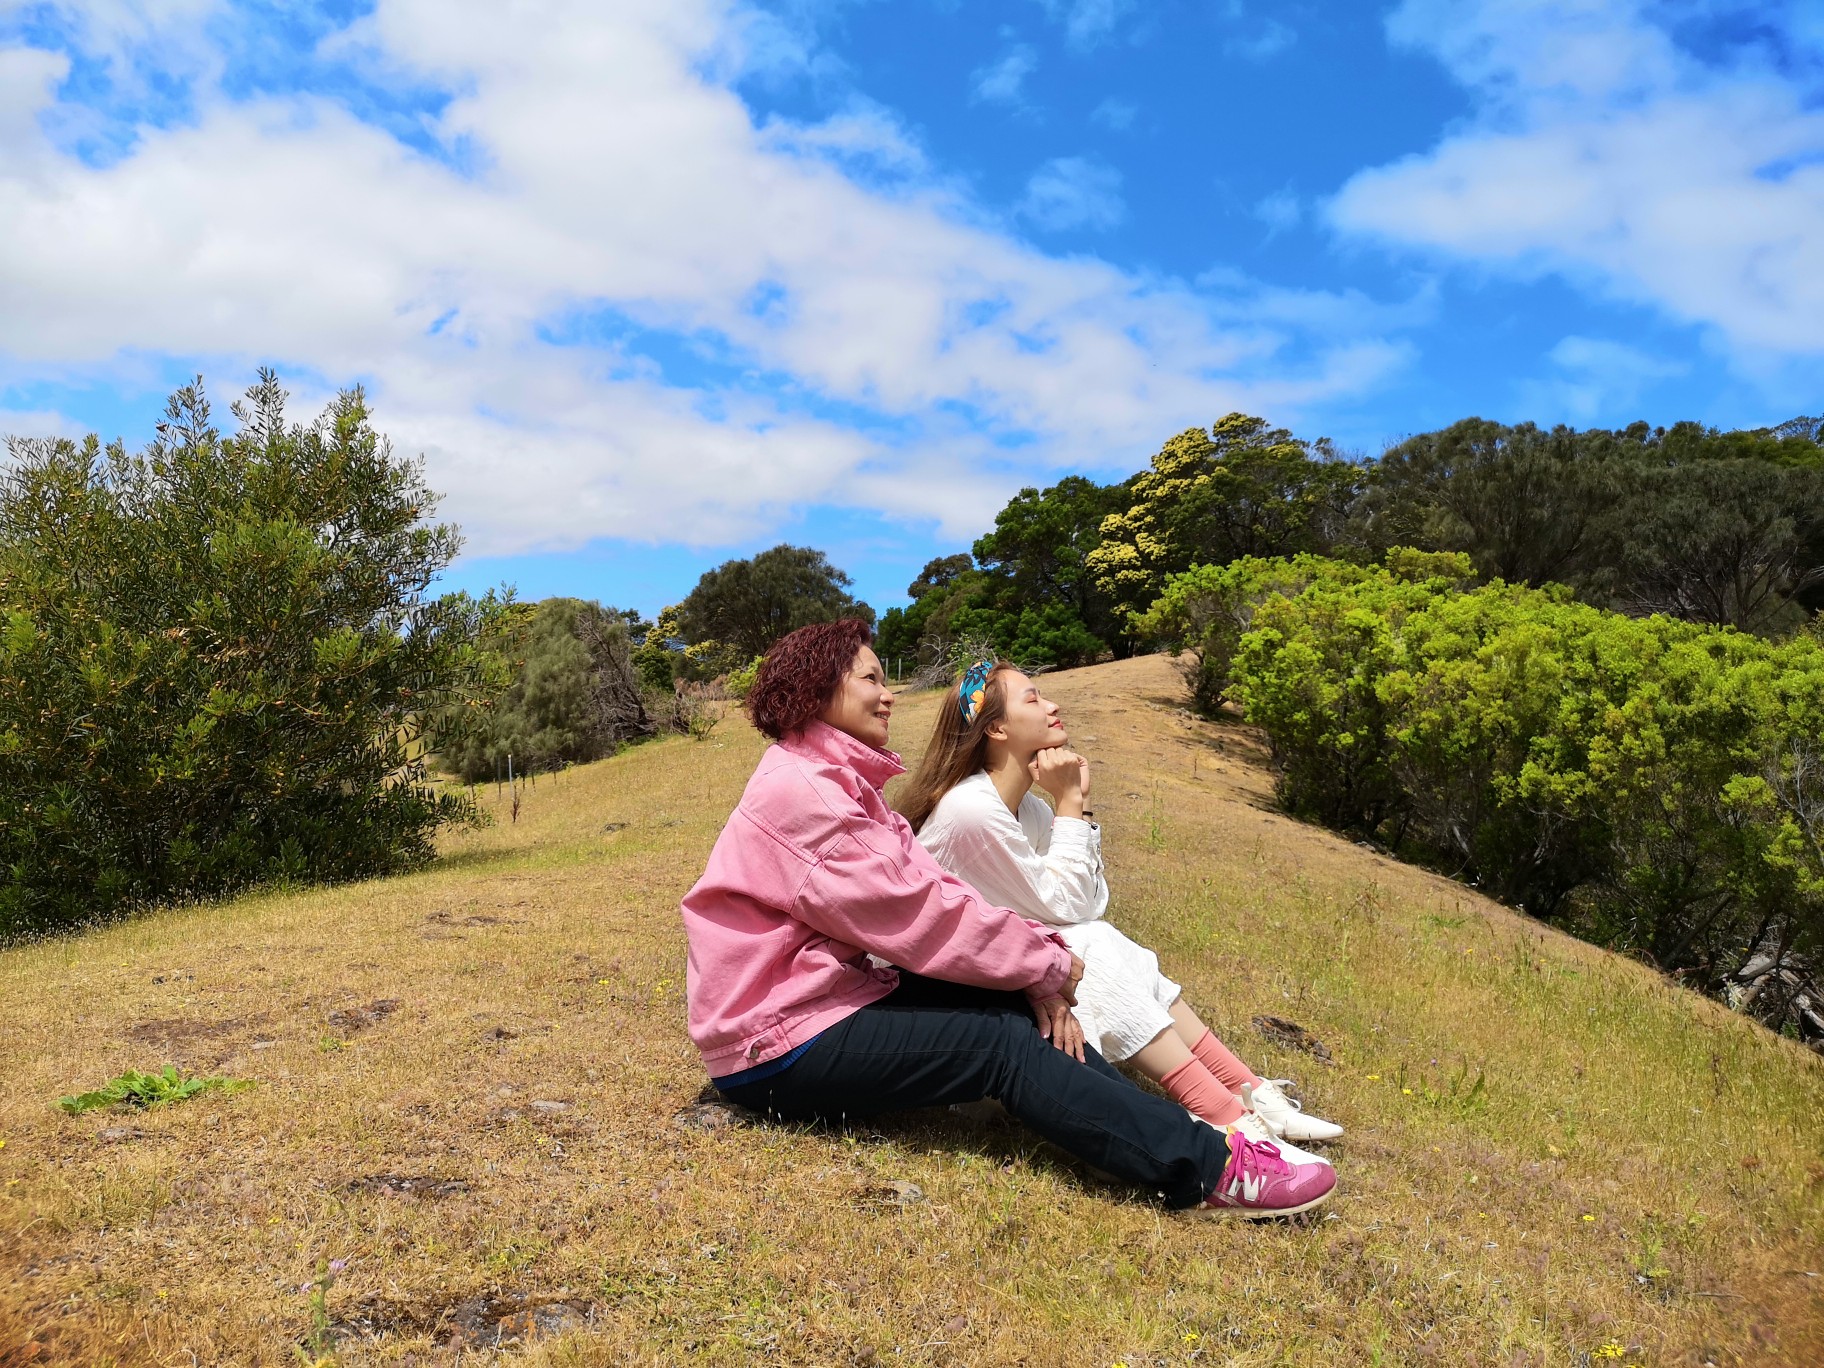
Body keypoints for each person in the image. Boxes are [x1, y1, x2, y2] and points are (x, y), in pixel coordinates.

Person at [679, 619, 1334, 1218]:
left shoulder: (837, 781)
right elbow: (921, 915)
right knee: (1000, 1046)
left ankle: (1175, 1129)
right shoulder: (810, 793)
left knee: (1015, 1004)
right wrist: (1046, 961)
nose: (888, 695)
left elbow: (930, 884)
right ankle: (1210, 1169)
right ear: (818, 690)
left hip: (823, 1002)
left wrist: (1030, 975)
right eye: (871, 679)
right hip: (777, 1043)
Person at [900, 660, 1343, 1160]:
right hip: (945, 997)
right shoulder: (971, 811)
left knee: (1095, 937)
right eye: (1033, 699)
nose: (1053, 706)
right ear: (997, 728)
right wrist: (1070, 800)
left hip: (1001, 973)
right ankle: (1227, 1118)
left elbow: (1089, 902)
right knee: (1088, 944)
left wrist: (1075, 806)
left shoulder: (1029, 809)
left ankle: (1246, 1091)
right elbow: (1068, 908)